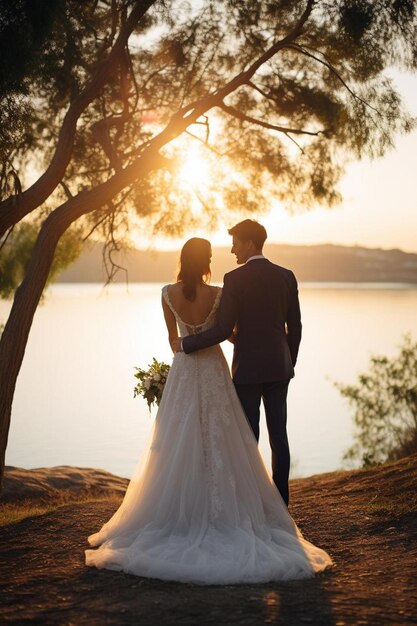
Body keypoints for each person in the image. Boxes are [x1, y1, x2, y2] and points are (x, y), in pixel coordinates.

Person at [85, 237, 331, 584]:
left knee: (177, 438)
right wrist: (267, 349)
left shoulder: (166, 294)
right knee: (233, 439)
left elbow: (173, 341)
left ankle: (182, 510)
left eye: (233, 245)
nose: (227, 253)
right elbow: (227, 332)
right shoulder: (221, 290)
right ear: (205, 263)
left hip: (186, 369)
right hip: (225, 368)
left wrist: (187, 343)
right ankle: (263, 506)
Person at [174, 220, 301, 507]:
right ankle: (281, 504)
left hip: (247, 371)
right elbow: (295, 326)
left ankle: (250, 503)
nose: (232, 250)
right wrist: (287, 361)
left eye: (235, 243)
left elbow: (222, 330)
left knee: (247, 438)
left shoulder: (234, 279)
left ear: (249, 244)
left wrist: (185, 344)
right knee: (279, 437)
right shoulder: (286, 276)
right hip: (279, 368)